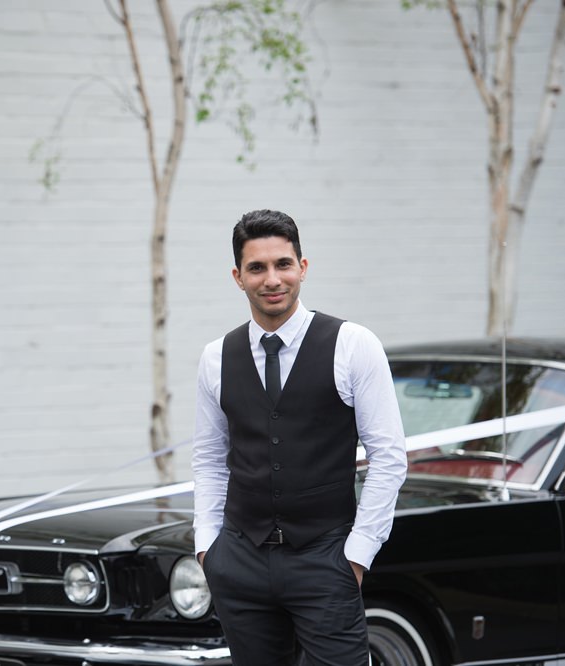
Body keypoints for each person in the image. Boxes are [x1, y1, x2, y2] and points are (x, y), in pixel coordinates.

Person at [191, 210, 408, 665]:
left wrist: (357, 556)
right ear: (238, 277)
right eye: (257, 267)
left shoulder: (353, 344)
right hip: (240, 560)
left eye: (283, 264)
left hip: (326, 559)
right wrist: (208, 547)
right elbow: (210, 459)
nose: (272, 279)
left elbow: (388, 457)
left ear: (302, 268)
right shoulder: (216, 357)